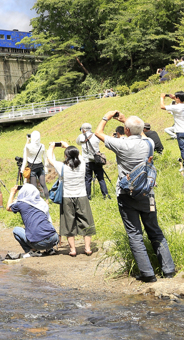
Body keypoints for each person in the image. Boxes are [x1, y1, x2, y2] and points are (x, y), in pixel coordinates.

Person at [93, 111, 176, 282]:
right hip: (147, 192)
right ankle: (169, 270)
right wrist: (126, 119)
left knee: (135, 234)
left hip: (127, 194)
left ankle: (148, 274)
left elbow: (98, 133)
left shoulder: (121, 144)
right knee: (155, 231)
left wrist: (106, 117)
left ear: (126, 130)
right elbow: (142, 134)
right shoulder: (150, 143)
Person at [49, 143, 96, 256]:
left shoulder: (62, 167)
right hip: (82, 196)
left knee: (68, 222)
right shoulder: (83, 164)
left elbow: (50, 159)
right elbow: (80, 156)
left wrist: (51, 147)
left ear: (66, 156)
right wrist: (68, 146)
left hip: (67, 197)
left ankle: (73, 250)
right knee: (86, 221)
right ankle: (88, 248)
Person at [6, 183, 59, 257]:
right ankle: (50, 249)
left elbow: (8, 208)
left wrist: (12, 193)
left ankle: (33, 251)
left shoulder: (20, 204)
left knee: (16, 230)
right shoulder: (41, 202)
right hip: (54, 239)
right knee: (45, 222)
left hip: (39, 243)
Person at [160, 91, 184, 169]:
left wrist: (162, 98)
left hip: (181, 130)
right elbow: (179, 103)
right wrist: (175, 98)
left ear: (178, 98)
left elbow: (162, 106)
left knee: (183, 148)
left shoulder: (176, 107)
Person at [76, 122, 110, 199]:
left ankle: (88, 196)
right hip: (97, 160)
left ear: (83, 130)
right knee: (101, 178)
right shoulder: (95, 136)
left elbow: (77, 142)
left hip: (87, 161)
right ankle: (105, 194)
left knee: (88, 179)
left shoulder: (81, 137)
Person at [20, 131, 51, 198]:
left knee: (34, 186)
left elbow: (25, 158)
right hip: (40, 166)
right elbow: (45, 158)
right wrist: (46, 169)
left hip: (32, 167)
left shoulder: (28, 146)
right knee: (43, 184)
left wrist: (22, 169)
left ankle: (35, 200)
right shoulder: (42, 146)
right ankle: (47, 200)